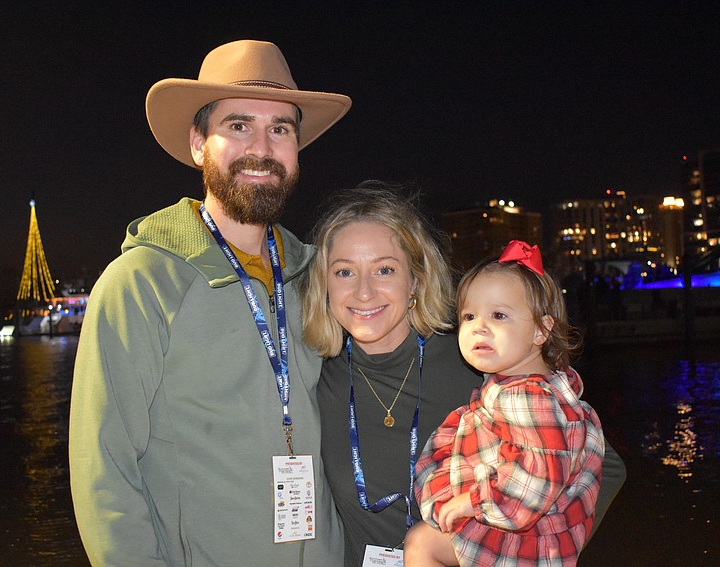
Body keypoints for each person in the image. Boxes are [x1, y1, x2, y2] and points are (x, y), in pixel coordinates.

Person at [69, 40, 351, 566]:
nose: (262, 148)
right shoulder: (140, 284)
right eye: (238, 126)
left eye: (280, 129)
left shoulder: (318, 277)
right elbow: (102, 471)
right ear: (199, 143)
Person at [299, 183, 625, 567]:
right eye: (344, 272)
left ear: (416, 281)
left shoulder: (475, 363)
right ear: (325, 285)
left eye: (385, 269)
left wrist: (531, 552)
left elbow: (604, 465)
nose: (364, 291)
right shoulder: (315, 375)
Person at [404, 241, 604, 566]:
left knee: (421, 545)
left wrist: (472, 502)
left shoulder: (531, 400)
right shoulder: (523, 391)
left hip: (525, 544)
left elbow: (539, 480)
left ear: (541, 330)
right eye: (469, 316)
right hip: (524, 535)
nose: (479, 326)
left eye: (499, 315)